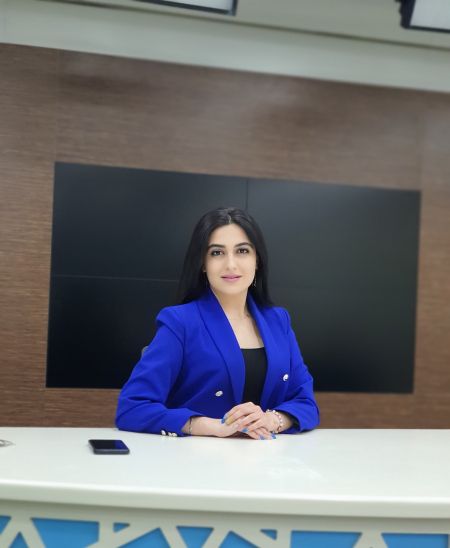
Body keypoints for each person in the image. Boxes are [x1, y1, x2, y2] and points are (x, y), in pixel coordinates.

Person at [116, 207, 319, 439]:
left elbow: (306, 404)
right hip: (195, 457)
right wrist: (209, 426)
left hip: (269, 456)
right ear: (203, 263)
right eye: (217, 253)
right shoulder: (180, 322)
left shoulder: (278, 321)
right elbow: (132, 409)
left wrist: (272, 419)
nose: (231, 264)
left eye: (242, 251)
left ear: (257, 260)